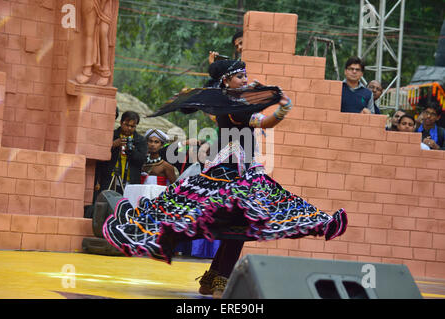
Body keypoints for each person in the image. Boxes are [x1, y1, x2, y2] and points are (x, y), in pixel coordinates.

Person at [102, 60, 347, 299]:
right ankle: (221, 284)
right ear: (227, 81)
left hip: (237, 172)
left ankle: (213, 280)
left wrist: (262, 98)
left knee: (237, 228)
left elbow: (253, 116)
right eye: (240, 76)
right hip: (232, 177)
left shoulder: (230, 104)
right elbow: (266, 121)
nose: (245, 79)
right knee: (240, 227)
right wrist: (278, 106)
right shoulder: (235, 108)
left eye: (245, 75)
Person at [97, 111, 147, 194]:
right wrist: (112, 145)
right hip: (110, 178)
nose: (129, 128)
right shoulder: (111, 135)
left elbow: (142, 160)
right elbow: (99, 155)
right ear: (121, 122)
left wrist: (132, 151)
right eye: (127, 125)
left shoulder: (140, 140)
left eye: (132, 126)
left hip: (130, 181)